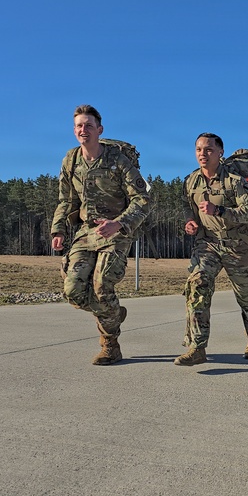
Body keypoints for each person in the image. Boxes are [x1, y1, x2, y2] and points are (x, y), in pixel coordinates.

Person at [51, 105, 151, 365]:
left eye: (88, 125)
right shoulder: (71, 160)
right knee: (73, 290)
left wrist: (118, 224)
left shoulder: (118, 161)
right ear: (74, 130)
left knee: (102, 284)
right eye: (79, 126)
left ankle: (110, 345)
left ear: (100, 130)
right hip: (86, 232)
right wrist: (59, 229)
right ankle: (113, 313)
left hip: (116, 231)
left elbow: (142, 199)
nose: (83, 130)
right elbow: (66, 200)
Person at [175, 133, 248, 366]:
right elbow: (188, 206)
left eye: (208, 150)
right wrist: (190, 222)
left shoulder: (235, 181)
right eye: (198, 150)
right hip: (208, 244)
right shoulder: (191, 181)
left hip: (237, 245)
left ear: (220, 152)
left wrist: (221, 211)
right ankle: (197, 346)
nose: (202, 154)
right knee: (197, 284)